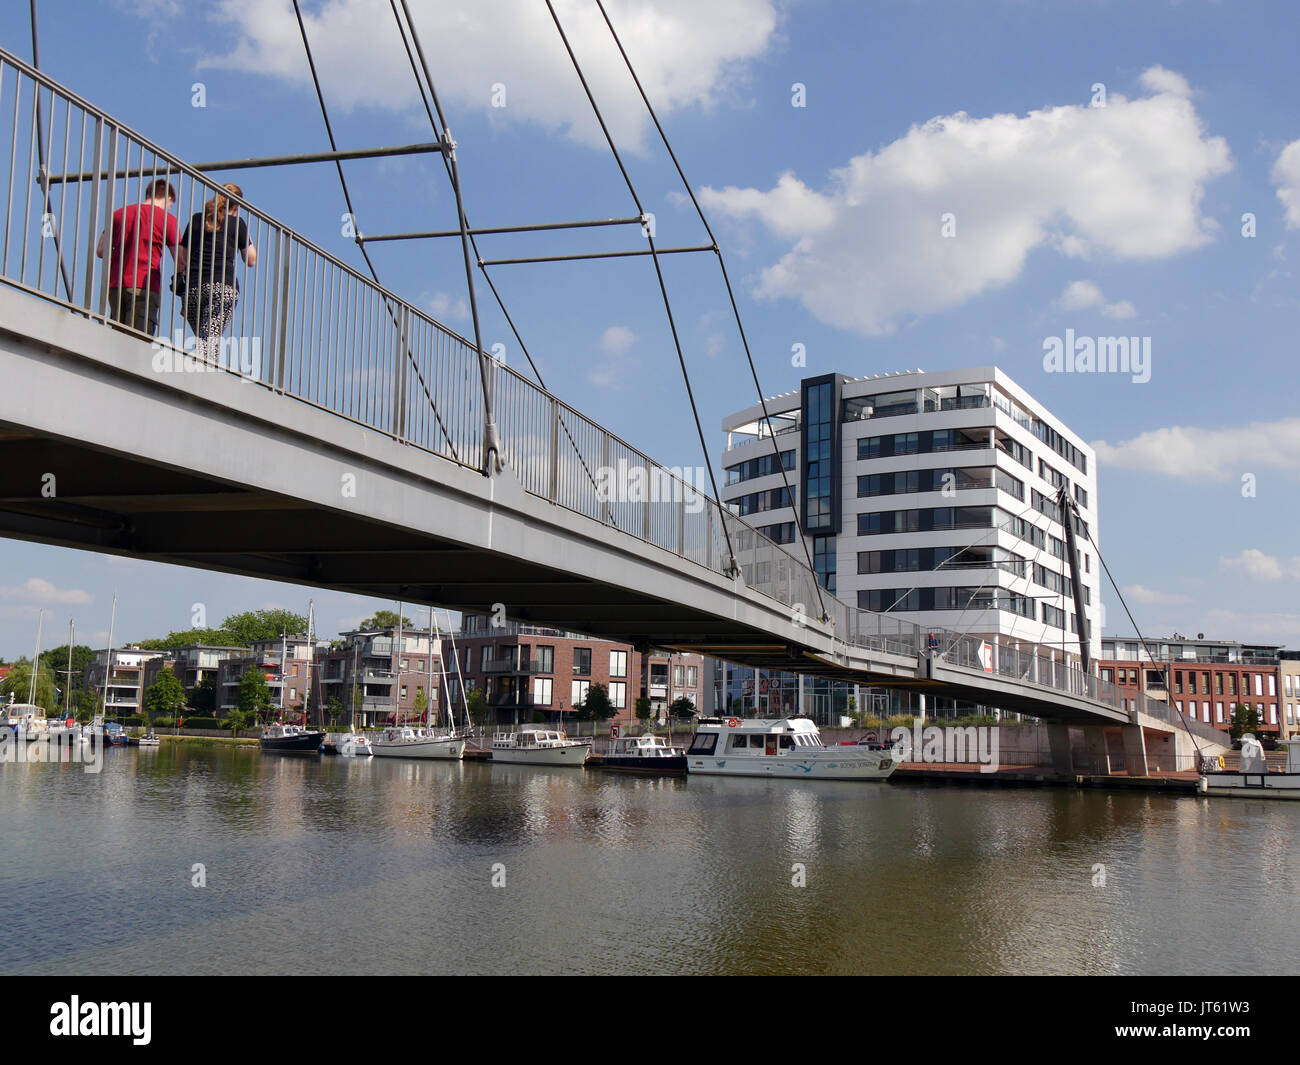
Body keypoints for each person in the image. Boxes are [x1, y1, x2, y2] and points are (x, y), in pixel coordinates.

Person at [178, 183, 257, 363]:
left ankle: (199, 368)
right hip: (222, 288)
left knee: (204, 337)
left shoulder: (197, 219)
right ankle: (204, 375)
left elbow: (183, 256)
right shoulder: (237, 224)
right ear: (237, 206)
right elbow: (251, 260)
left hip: (192, 290)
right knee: (210, 339)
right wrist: (245, 235)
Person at [95, 178, 180, 336]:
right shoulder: (167, 219)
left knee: (118, 339)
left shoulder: (119, 213)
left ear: (148, 193)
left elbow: (100, 251)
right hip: (144, 285)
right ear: (169, 198)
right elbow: (180, 260)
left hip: (116, 285)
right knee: (139, 342)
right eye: (170, 205)